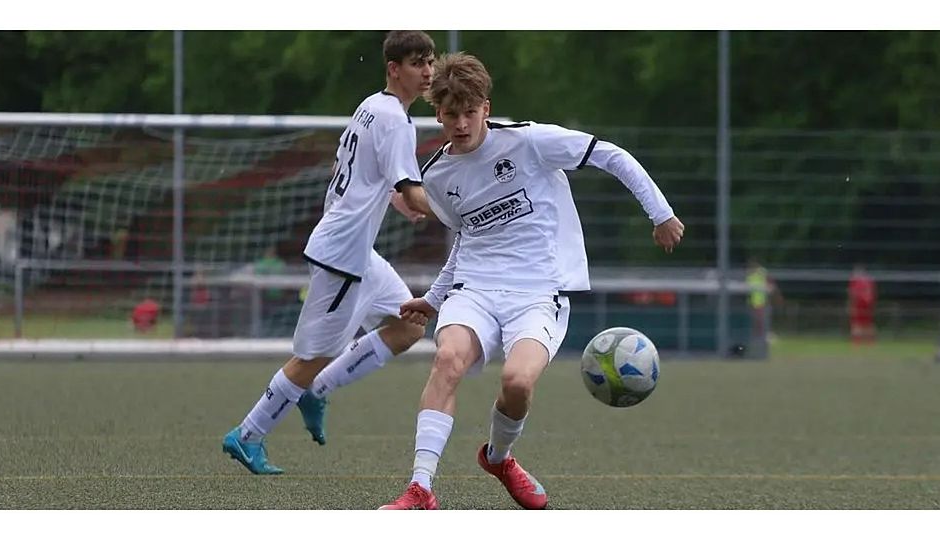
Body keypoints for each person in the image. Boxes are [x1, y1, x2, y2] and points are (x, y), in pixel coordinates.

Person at [379, 52, 684, 510]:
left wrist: (660, 213)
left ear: (486, 106)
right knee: (448, 360)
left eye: (469, 112)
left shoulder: (530, 141)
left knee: (518, 383)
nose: (461, 124)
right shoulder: (438, 174)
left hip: (538, 292)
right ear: (437, 113)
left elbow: (610, 155)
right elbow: (466, 237)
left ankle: (498, 457)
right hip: (475, 289)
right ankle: (420, 488)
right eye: (450, 114)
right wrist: (436, 299)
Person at [221, 31, 436, 475]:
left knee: (410, 325)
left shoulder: (372, 106)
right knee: (311, 356)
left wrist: (399, 200)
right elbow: (413, 194)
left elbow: (372, 177)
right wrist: (460, 209)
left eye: (430, 61)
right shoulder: (396, 119)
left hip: (358, 251)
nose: (428, 71)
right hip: (343, 254)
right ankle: (247, 435)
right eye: (417, 63)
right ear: (394, 69)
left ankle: (318, 390)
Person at [847, 264, 877, 344]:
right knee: (868, 324)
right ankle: (870, 343)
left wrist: (851, 305)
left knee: (856, 324)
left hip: (859, 303)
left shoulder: (855, 280)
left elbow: (852, 293)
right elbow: (872, 293)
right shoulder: (869, 280)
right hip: (869, 304)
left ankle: (857, 343)